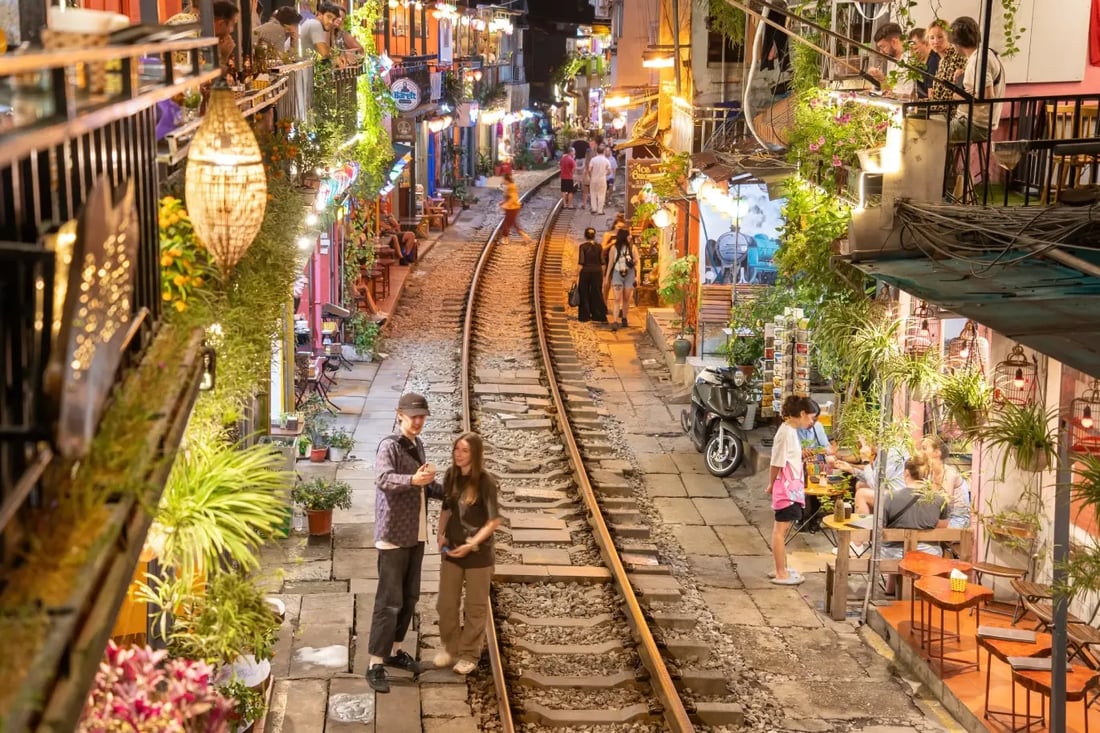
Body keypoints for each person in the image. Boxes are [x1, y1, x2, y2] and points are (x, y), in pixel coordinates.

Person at [367, 392, 445, 693]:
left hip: (415, 533)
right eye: (414, 416)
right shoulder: (389, 446)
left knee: (409, 597)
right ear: (400, 415)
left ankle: (394, 650)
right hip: (394, 535)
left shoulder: (417, 444)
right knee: (389, 601)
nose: (418, 421)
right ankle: (375, 663)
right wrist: (412, 480)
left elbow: (424, 486)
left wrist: (450, 491)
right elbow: (383, 479)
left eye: (422, 416)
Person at [434, 432, 502, 676]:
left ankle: (469, 654)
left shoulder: (486, 482)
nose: (459, 454)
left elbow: (493, 521)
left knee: (475, 607)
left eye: (464, 450)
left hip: (478, 555)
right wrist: (440, 533)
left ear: (475, 454)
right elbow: (446, 508)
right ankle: (451, 648)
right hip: (452, 549)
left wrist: (473, 542)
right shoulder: (451, 475)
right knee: (445, 604)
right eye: (456, 449)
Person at [879, 454, 950, 593]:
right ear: (928, 475)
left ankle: (891, 589)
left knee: (893, 544)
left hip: (894, 555)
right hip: (928, 554)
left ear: (906, 473)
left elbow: (882, 526)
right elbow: (942, 527)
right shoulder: (939, 499)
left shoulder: (890, 497)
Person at [768, 395, 815, 585]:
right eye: (811, 417)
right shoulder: (785, 433)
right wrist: (771, 484)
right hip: (786, 489)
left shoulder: (790, 431)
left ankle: (781, 568)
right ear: (802, 414)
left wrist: (801, 455)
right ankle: (780, 572)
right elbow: (776, 462)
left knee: (782, 531)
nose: (811, 422)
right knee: (780, 531)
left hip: (791, 488)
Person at [947, 15, 1007, 142]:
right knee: (934, 127)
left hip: (974, 124)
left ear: (957, 43)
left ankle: (944, 156)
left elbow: (986, 96)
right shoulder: (988, 53)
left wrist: (958, 97)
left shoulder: (978, 61)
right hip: (975, 122)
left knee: (931, 134)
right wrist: (964, 74)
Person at [922, 434, 970, 528]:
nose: (921, 452)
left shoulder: (950, 473)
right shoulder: (929, 474)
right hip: (941, 517)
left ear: (937, 452)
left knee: (924, 523)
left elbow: (945, 503)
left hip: (957, 519)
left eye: (924, 448)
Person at [868, 22, 915, 99]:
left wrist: (896, 95)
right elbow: (889, 91)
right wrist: (881, 78)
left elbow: (915, 95)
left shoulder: (911, 57)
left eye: (882, 47)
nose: (881, 52)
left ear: (894, 42)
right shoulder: (891, 60)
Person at [604, 228, 638, 330]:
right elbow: (610, 263)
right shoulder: (614, 248)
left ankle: (624, 317)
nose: (630, 237)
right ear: (624, 236)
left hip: (629, 274)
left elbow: (637, 261)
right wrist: (607, 277)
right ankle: (615, 321)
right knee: (617, 298)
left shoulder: (633, 248)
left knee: (626, 298)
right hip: (617, 274)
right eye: (629, 235)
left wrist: (637, 276)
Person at [927, 19, 965, 104]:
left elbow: (950, 95)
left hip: (950, 109)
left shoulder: (957, 56)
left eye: (940, 37)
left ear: (949, 37)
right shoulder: (942, 61)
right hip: (940, 107)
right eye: (932, 38)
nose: (935, 41)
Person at [576, 227, 608, 323]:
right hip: (597, 272)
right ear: (594, 236)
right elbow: (602, 262)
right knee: (597, 292)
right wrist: (603, 275)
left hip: (585, 272)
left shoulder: (583, 247)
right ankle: (598, 315)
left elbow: (581, 262)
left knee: (584, 293)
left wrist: (576, 275)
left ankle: (584, 316)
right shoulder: (599, 247)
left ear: (585, 236)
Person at [498, 172, 533, 245]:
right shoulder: (509, 186)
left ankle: (506, 239)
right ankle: (526, 237)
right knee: (513, 224)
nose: (502, 180)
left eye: (503, 179)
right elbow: (508, 198)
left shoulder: (511, 187)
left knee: (506, 224)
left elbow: (513, 198)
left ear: (506, 179)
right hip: (511, 208)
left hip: (512, 208)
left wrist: (505, 205)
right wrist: (502, 202)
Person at [907, 27, 934, 99]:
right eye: (910, 50)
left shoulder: (935, 61)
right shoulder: (918, 64)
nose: (912, 54)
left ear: (927, 43)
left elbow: (931, 97)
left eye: (915, 49)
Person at [587, 146, 611, 215]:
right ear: (603, 152)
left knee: (593, 193)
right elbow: (609, 171)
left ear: (597, 152)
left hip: (594, 178)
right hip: (602, 178)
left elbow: (589, 170)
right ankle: (600, 210)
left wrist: (591, 176)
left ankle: (594, 209)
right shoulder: (606, 160)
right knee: (602, 194)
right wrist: (605, 174)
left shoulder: (593, 160)